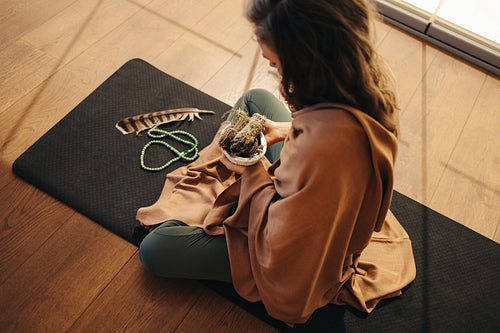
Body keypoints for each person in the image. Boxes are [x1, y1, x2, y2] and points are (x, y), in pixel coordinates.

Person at [137, 0, 416, 325]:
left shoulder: (320, 149)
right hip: (320, 190)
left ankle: (202, 205)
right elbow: (320, 137)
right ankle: (212, 196)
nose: (278, 72)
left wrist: (251, 169)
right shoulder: (364, 83)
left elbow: (283, 243)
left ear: (307, 61)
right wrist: (282, 130)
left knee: (156, 250)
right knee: (256, 100)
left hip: (296, 254)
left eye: (277, 64)